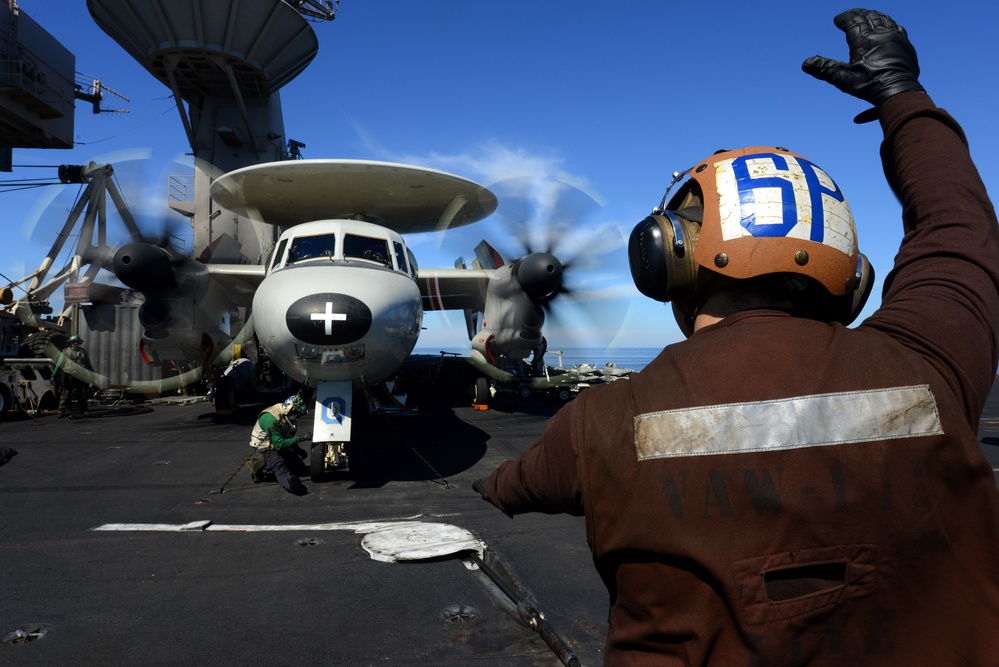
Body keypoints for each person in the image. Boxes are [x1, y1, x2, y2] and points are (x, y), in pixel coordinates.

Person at [473, 9, 999, 665]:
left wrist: (492, 489)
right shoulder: (932, 363)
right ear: (851, 273)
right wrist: (902, 95)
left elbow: (522, 484)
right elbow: (957, 228)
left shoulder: (599, 424)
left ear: (665, 255)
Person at [248, 394, 311, 496]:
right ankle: (291, 485)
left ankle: (292, 474)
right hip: (265, 449)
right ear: (291, 409)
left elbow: (288, 436)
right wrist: (301, 438)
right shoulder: (272, 419)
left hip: (278, 444)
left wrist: (298, 451)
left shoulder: (288, 416)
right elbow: (279, 445)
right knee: (280, 466)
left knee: (300, 469)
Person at [54, 335, 93, 417]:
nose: (75, 344)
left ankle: (83, 409)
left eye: (77, 342)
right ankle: (61, 410)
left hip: (80, 376)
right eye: (74, 342)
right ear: (71, 343)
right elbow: (59, 364)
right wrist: (54, 374)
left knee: (81, 393)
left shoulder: (83, 352)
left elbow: (88, 364)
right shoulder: (65, 352)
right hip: (69, 376)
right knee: (65, 393)